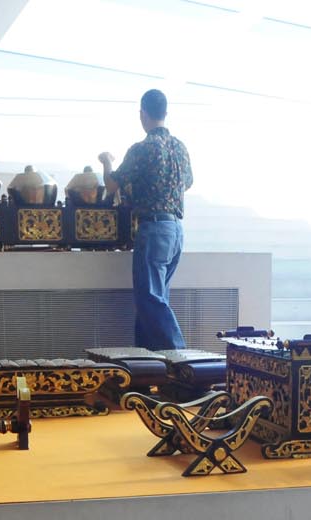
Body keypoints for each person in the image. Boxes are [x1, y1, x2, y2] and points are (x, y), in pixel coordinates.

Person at [98, 89, 193, 351]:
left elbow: (111, 184)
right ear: (165, 113)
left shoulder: (142, 149)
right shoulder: (179, 147)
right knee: (152, 301)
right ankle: (146, 363)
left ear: (142, 114)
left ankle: (184, 360)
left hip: (154, 229)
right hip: (176, 231)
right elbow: (187, 183)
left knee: (150, 299)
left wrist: (106, 161)